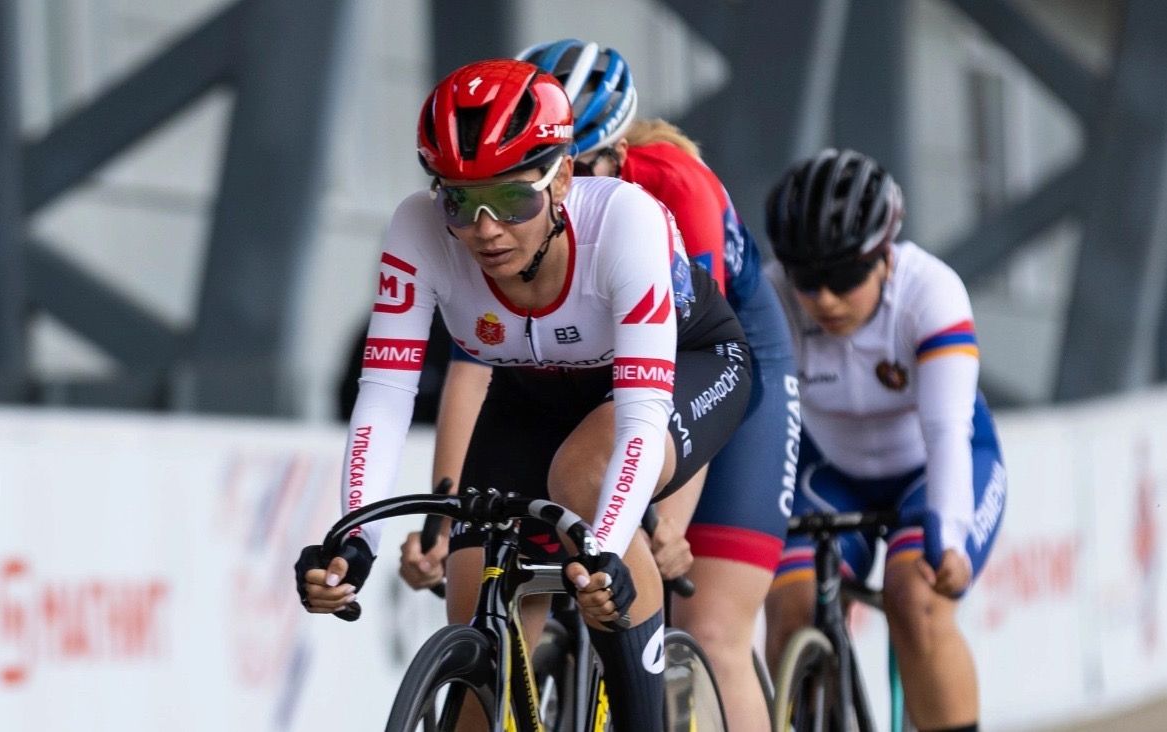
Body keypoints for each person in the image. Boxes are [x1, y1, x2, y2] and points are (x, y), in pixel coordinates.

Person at [295, 59, 752, 731]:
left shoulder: (623, 220)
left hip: (684, 367)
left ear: (562, 178)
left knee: (583, 478)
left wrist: (602, 550)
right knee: (474, 604)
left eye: (512, 200)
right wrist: (354, 539)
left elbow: (639, 414)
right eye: (458, 202)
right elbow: (385, 394)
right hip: (533, 393)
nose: (485, 229)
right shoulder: (416, 228)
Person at [399, 39, 798, 730]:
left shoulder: (668, 194)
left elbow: (669, 369)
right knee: (490, 595)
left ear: (616, 157)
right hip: (582, 372)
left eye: (576, 172)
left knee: (709, 626)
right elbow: (473, 368)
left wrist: (664, 525)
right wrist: (443, 518)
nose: (568, 193)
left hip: (711, 368)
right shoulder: (497, 236)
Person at [761, 148, 1007, 732]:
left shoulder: (931, 292)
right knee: (791, 608)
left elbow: (945, 431)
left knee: (916, 601)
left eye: (844, 277)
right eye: (806, 280)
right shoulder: (773, 297)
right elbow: (757, 423)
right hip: (828, 473)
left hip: (930, 467)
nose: (824, 298)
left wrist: (948, 536)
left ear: (885, 257)